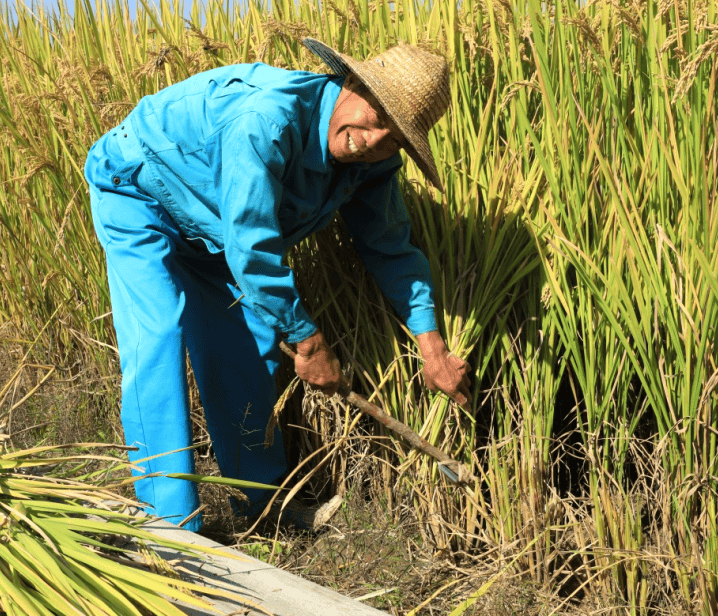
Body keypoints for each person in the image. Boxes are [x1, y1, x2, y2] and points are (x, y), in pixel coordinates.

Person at [83, 37, 471, 532]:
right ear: (352, 85)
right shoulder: (267, 120)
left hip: (213, 224)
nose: (373, 140)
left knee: (250, 349)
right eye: (377, 116)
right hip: (139, 190)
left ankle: (263, 512)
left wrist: (431, 345)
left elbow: (390, 248)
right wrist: (309, 341)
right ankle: (171, 528)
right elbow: (252, 247)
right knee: (158, 336)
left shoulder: (373, 162)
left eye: (395, 137)